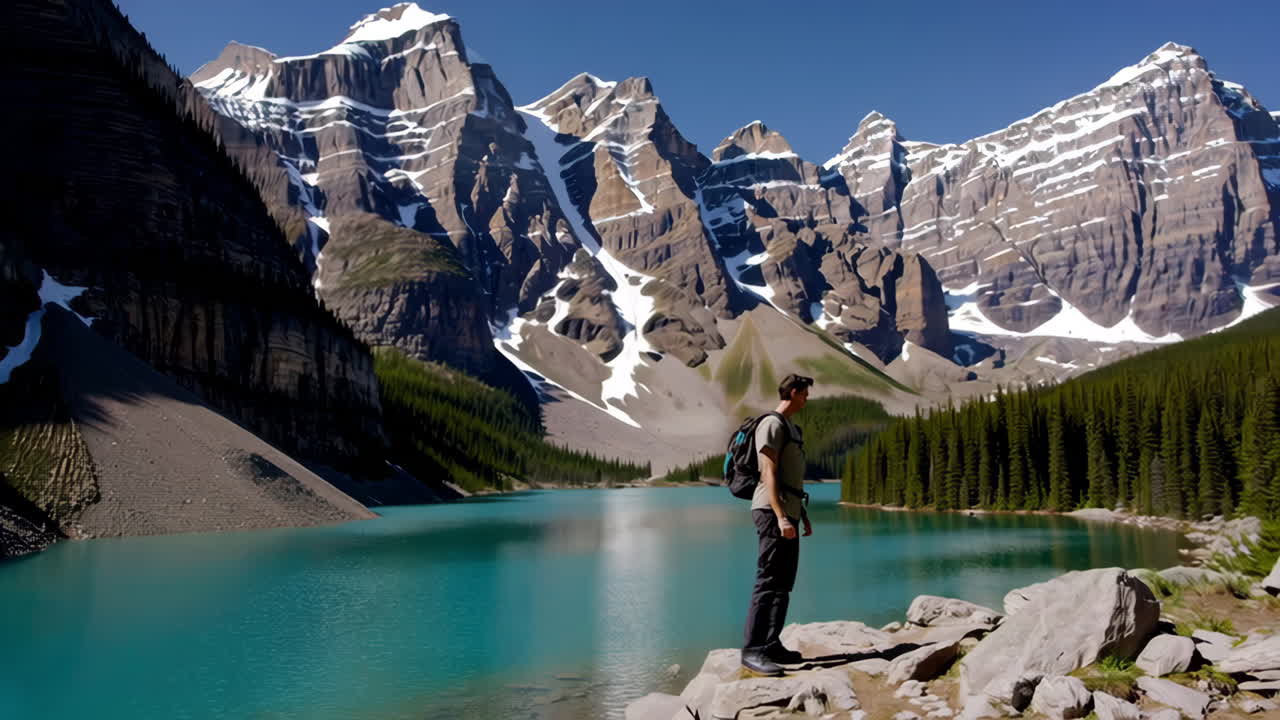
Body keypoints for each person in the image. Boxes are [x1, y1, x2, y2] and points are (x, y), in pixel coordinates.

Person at [740, 373, 813, 676]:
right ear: (793, 393)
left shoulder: (790, 428)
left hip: (789, 511)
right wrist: (781, 516)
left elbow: (791, 477)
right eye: (805, 394)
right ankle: (753, 650)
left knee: (783, 583)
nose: (807, 399)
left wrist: (800, 516)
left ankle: (771, 644)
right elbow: (768, 471)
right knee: (768, 581)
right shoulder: (771, 424)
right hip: (771, 512)